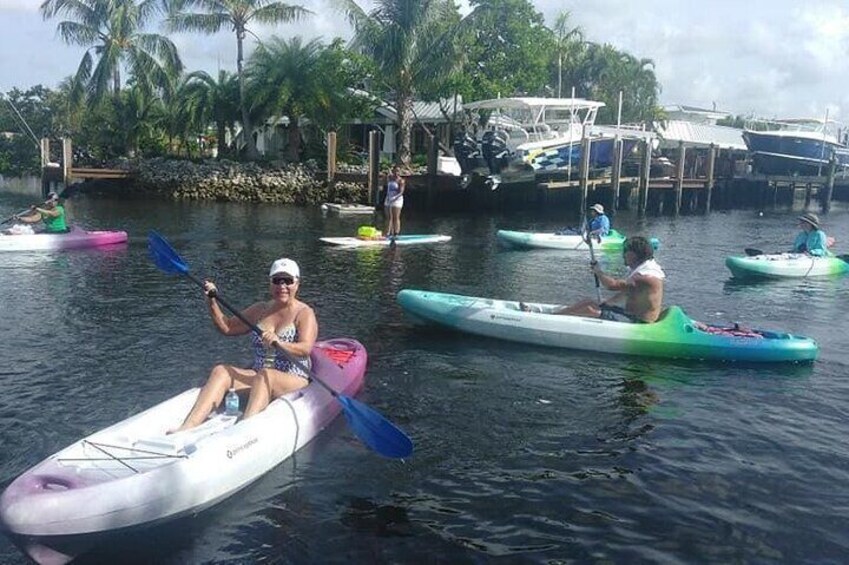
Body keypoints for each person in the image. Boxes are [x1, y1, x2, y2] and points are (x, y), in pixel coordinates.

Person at [171, 258, 318, 432]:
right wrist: (211, 301)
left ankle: (243, 431)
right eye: (277, 280)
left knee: (266, 375)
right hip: (260, 374)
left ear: (297, 283)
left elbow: (305, 348)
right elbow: (227, 327)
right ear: (270, 283)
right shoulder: (261, 309)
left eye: (288, 281)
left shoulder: (304, 313)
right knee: (221, 371)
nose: (282, 286)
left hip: (294, 378)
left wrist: (280, 343)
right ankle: (188, 427)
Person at [523, 236, 665, 323]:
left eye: (625, 252)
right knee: (589, 302)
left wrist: (598, 272)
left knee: (590, 309)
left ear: (633, 255)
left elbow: (612, 285)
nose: (623, 255)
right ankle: (554, 315)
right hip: (629, 315)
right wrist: (608, 303)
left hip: (638, 322)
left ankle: (550, 318)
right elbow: (628, 292)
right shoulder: (643, 269)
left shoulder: (646, 276)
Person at [384, 165, 405, 237]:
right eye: (395, 171)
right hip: (388, 198)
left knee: (395, 217)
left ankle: (396, 233)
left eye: (398, 171)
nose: (396, 173)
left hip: (397, 199)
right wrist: (387, 172)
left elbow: (401, 192)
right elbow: (385, 179)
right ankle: (387, 232)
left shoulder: (401, 181)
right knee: (388, 217)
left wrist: (395, 197)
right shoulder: (390, 178)